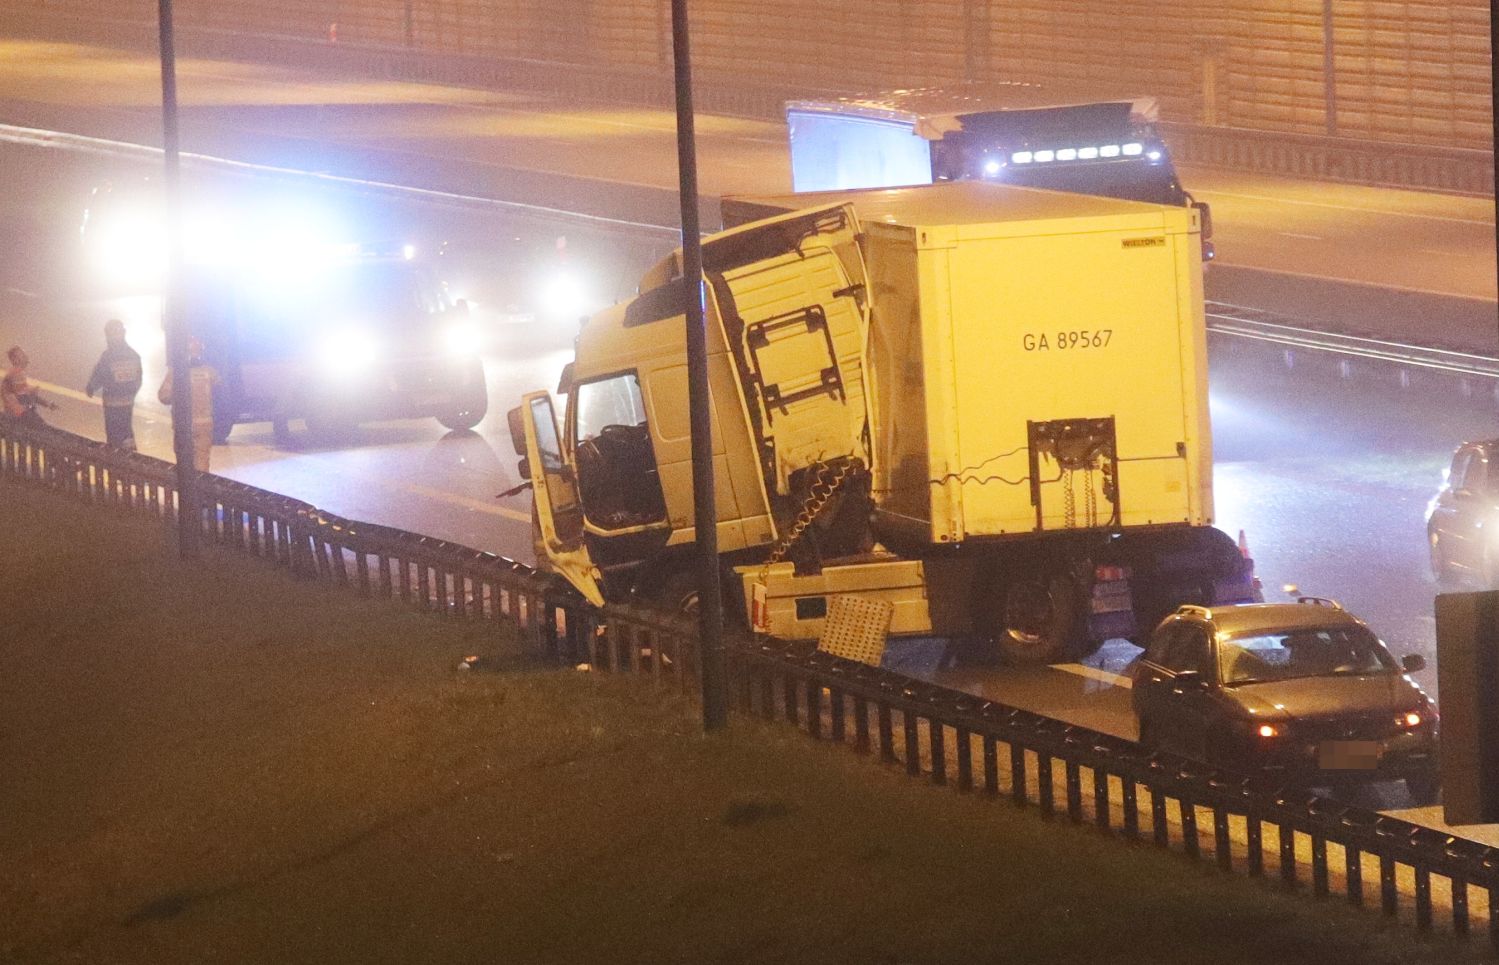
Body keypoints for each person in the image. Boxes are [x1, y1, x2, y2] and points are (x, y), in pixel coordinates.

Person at [158, 337, 221, 472]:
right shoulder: (210, 372)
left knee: (184, 459)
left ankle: (188, 490)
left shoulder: (176, 373)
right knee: (202, 459)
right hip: (204, 424)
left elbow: (163, 396)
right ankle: (202, 489)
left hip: (183, 425)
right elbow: (219, 393)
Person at [84, 318, 143, 450]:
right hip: (127, 402)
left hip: (112, 402)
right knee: (126, 429)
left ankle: (116, 459)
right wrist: (130, 393)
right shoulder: (133, 355)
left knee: (114, 433)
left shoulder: (108, 356)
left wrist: (91, 387)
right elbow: (138, 378)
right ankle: (130, 455)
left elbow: (100, 374)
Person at [2, 346, 57, 428]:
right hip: (19, 415)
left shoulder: (18, 374)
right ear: (15, 359)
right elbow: (23, 398)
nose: (26, 356)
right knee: (46, 431)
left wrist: (47, 404)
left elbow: (25, 395)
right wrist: (33, 394)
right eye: (22, 355)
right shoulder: (15, 374)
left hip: (20, 415)